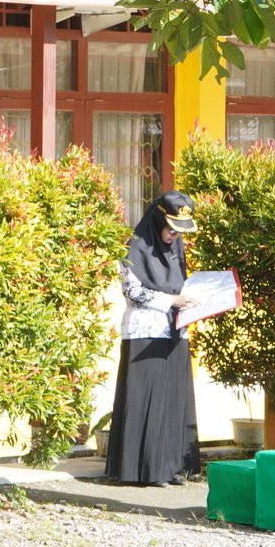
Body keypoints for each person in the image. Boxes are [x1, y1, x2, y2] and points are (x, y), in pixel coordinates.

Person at [105, 189, 201, 487]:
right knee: (147, 400)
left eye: (179, 231)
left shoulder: (175, 248)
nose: (175, 235)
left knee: (172, 400)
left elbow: (180, 285)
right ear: (158, 220)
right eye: (171, 229)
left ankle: (171, 468)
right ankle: (144, 471)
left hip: (175, 332)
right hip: (144, 333)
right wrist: (171, 301)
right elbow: (133, 291)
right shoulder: (135, 247)